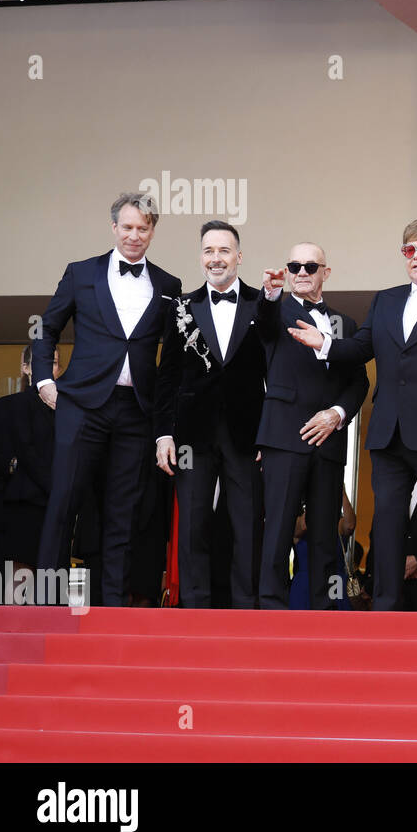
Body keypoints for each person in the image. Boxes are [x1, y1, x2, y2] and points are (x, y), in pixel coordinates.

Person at [289, 216, 417, 611]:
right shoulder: (386, 299)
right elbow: (362, 347)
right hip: (390, 432)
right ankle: (383, 609)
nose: (415, 256)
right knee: (386, 523)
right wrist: (326, 344)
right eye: (408, 250)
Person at [33, 191, 183, 606]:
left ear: (153, 231)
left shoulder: (170, 285)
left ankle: (113, 606)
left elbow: (171, 362)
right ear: (114, 227)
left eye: (144, 228)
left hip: (136, 411)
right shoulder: (80, 273)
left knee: (123, 513)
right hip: (82, 405)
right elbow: (47, 328)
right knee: (65, 500)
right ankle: (47, 603)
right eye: (128, 227)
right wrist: (45, 380)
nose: (135, 235)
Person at [153, 220, 274, 609]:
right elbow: (167, 375)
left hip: (248, 435)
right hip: (192, 435)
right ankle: (194, 611)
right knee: (192, 526)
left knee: (247, 525)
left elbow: (278, 374)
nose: (216, 258)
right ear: (200, 257)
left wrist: (270, 434)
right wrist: (163, 434)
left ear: (239, 257)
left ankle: (246, 610)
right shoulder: (180, 307)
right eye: (209, 251)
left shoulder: (264, 303)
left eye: (224, 250)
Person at [255, 243, 368, 610]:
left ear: (325, 273)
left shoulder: (345, 324)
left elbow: (359, 383)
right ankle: (271, 610)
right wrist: (270, 295)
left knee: (324, 535)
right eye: (294, 266)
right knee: (278, 530)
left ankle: (321, 616)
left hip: (329, 442)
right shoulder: (276, 311)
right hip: (284, 438)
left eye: (310, 266)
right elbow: (266, 323)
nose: (301, 272)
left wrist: (337, 413)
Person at [0, 346, 62, 575]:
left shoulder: (68, 412)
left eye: (55, 362)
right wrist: (12, 465)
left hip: (55, 511)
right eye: (42, 360)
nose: (49, 367)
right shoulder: (3, 408)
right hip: (17, 509)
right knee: (18, 586)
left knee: (53, 591)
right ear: (25, 367)